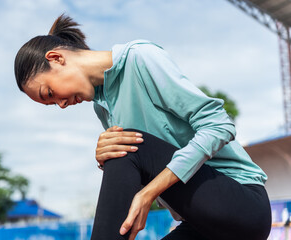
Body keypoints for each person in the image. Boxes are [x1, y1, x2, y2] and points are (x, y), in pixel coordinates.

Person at [14, 14, 272, 240]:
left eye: (50, 92)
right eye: (50, 103)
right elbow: (138, 173)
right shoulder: (102, 106)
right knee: (119, 149)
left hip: (243, 205)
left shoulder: (139, 58)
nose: (60, 104)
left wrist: (148, 192)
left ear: (57, 58)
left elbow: (219, 125)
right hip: (198, 224)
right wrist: (105, 161)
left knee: (126, 148)